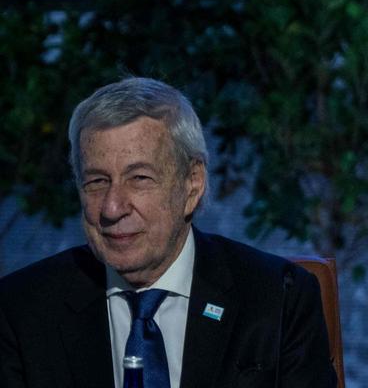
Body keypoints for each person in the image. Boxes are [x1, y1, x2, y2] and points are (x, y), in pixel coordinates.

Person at [0, 77, 337, 388]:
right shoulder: (21, 310)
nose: (112, 207)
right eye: (97, 182)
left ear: (192, 184)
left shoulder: (277, 298)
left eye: (139, 178)